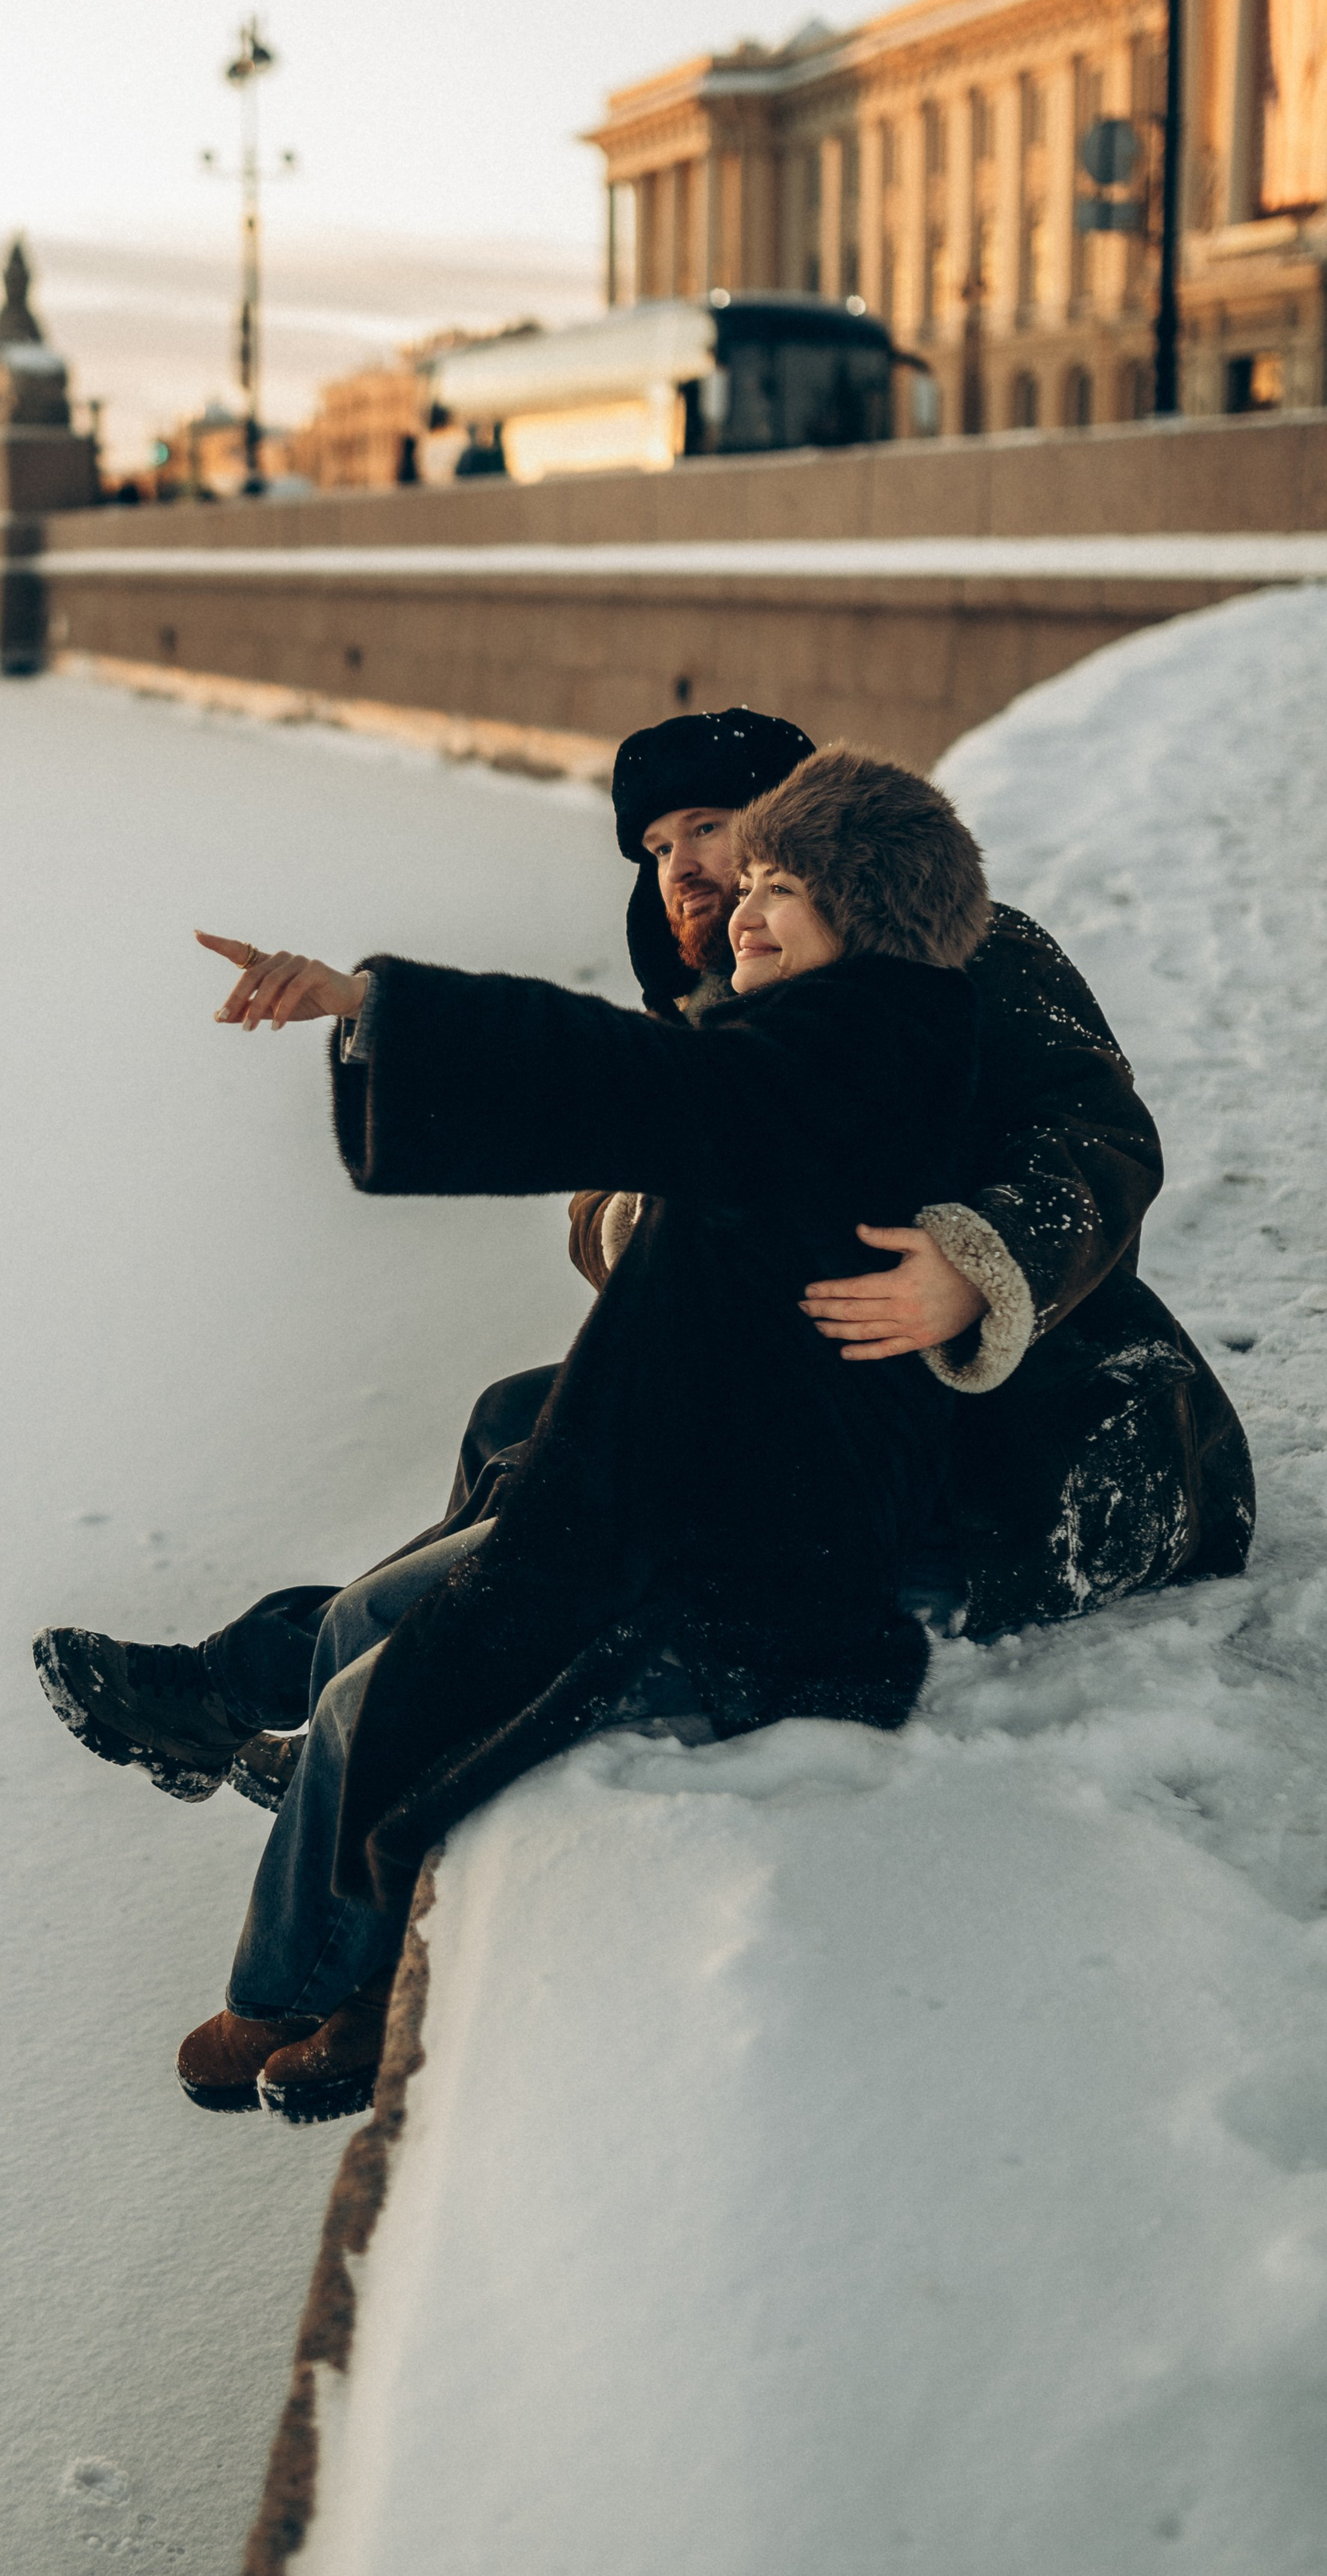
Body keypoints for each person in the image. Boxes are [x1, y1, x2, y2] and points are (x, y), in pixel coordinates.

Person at [37, 708, 1253, 1830]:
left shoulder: (959, 956)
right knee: (523, 1420)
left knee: (585, 1478)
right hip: (836, 1410)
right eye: (657, 844)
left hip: (1049, 1435)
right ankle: (322, 1688)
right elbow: (598, 1185)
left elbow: (1098, 1140)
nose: (680, 865)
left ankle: (306, 1703)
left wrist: (976, 1271)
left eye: (712, 829)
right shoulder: (731, 999)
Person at [163, 745, 990, 2121]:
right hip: (659, 1509)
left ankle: (305, 1991)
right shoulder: (816, 1044)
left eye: (788, 885)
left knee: (405, 1695)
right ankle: (302, 1970)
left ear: (878, 909)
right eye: (751, 880)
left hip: (752, 1578)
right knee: (375, 1623)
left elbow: (625, 1080)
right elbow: (659, 1094)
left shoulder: (851, 1053)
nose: (743, 906)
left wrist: (373, 1002)